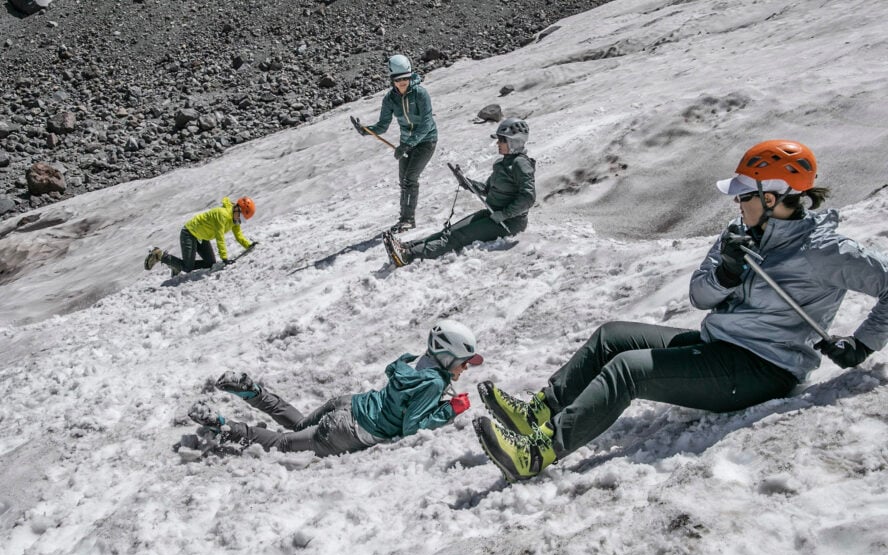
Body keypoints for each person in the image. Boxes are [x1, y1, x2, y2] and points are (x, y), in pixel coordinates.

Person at [472, 139, 888, 482]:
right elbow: (699, 296)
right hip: (720, 346)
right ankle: (538, 412)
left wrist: (864, 343)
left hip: (763, 369)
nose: (737, 204)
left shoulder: (825, 251)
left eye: (745, 195)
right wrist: (725, 274)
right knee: (612, 336)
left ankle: (538, 452)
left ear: (775, 195)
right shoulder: (740, 235)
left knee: (629, 370)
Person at [186, 320, 484, 457]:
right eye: (463, 362)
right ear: (446, 356)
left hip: (348, 403)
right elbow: (411, 427)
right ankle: (225, 427)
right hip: (349, 431)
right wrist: (449, 410)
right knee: (283, 444)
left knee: (300, 424)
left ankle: (253, 392)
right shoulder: (433, 383)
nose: (465, 368)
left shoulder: (415, 361)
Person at [383, 118, 536, 267]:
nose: (498, 143)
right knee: (449, 231)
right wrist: (466, 182)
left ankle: (409, 255)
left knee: (457, 237)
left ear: (514, 141)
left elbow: (528, 198)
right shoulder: (501, 163)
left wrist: (505, 214)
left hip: (509, 223)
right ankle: (408, 247)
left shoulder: (521, 164)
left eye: (502, 140)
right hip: (493, 214)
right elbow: (487, 189)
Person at [353, 54, 437, 233]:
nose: (403, 83)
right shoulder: (390, 99)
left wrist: (407, 145)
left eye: (406, 78)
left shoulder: (421, 94)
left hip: (426, 141)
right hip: (406, 143)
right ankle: (404, 219)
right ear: (392, 80)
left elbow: (427, 124)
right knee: (403, 181)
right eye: (398, 80)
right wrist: (366, 130)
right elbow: (383, 126)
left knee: (410, 178)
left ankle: (408, 220)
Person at [144, 196, 256, 276]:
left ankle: (176, 265)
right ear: (237, 209)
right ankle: (159, 255)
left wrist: (249, 245)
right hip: (189, 233)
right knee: (188, 267)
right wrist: (224, 258)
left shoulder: (234, 220)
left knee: (210, 263)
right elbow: (220, 237)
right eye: (240, 217)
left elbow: (238, 235)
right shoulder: (222, 214)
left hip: (201, 237)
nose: (239, 221)